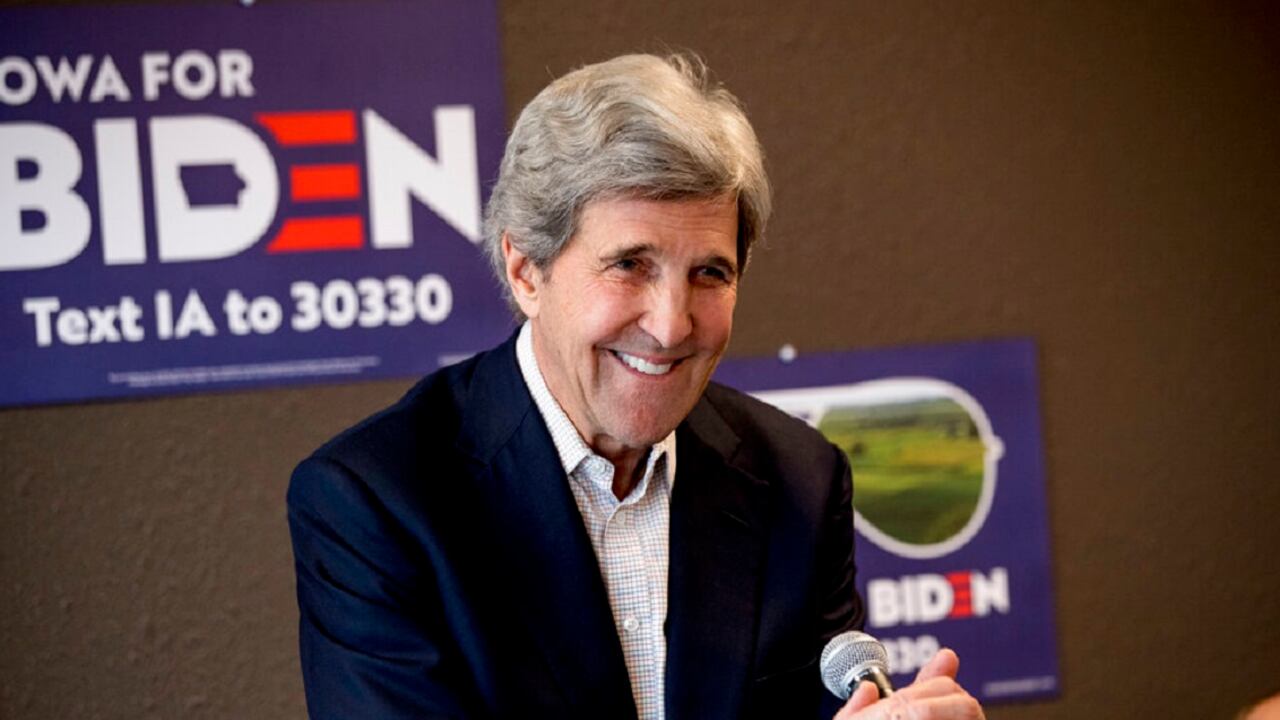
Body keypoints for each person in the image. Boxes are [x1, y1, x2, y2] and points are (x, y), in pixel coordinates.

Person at [287, 52, 983, 720]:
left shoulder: (799, 480)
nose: (671, 324)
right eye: (630, 265)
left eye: (709, 273)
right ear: (527, 272)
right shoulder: (377, 502)